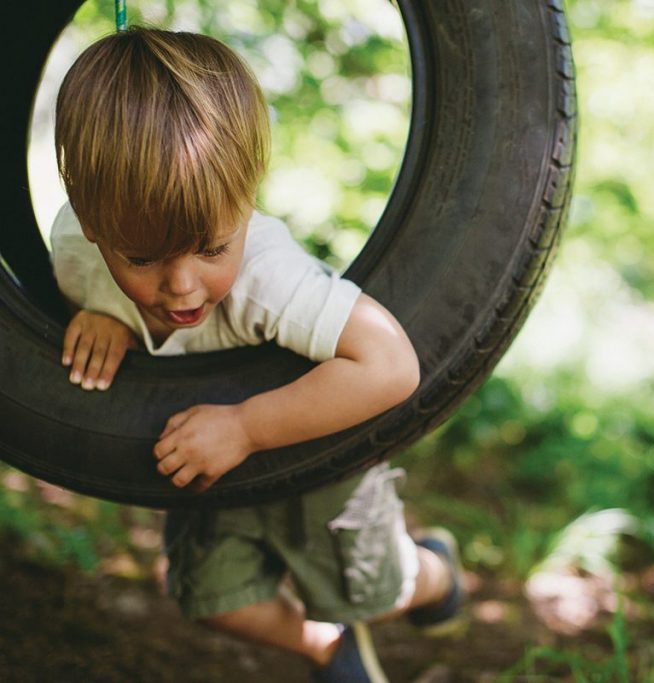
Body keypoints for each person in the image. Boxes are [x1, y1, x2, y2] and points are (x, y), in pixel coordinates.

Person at [50, 26, 461, 682]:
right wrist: (103, 318)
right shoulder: (74, 248)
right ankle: (326, 644)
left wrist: (246, 426)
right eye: (142, 258)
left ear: (248, 200)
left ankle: (436, 571)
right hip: (211, 464)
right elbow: (94, 296)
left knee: (373, 592)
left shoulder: (268, 275)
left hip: (314, 451)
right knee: (211, 600)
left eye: (211, 249)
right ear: (91, 219)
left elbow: (391, 366)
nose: (182, 286)